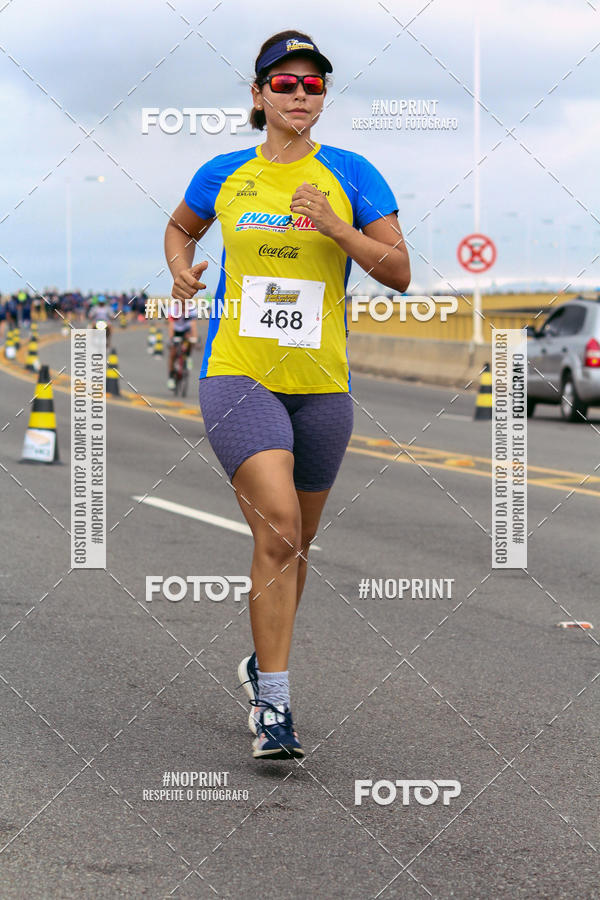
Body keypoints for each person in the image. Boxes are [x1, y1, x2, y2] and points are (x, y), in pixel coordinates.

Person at [164, 30, 410, 760]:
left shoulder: (353, 172)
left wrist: (335, 224)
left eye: (313, 85)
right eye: (285, 83)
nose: (300, 94)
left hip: (323, 387)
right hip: (238, 373)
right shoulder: (224, 172)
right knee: (276, 527)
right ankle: (275, 706)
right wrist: (182, 271)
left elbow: (398, 271)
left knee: (296, 543)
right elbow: (180, 227)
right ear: (258, 94)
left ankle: (258, 665)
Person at [166, 298, 198, 389]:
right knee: (172, 353)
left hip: (186, 330)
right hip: (176, 330)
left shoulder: (192, 309)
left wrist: (194, 338)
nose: (183, 307)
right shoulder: (173, 309)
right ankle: (171, 377)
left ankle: (187, 357)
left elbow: (193, 325)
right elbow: (171, 325)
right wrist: (171, 339)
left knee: (190, 340)